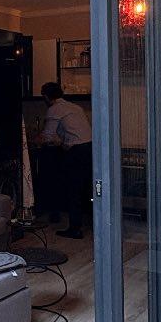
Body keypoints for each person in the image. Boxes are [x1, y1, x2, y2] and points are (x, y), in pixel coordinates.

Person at [38, 81, 92, 238]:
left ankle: (75, 229)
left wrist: (36, 139)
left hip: (77, 152)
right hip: (90, 148)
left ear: (46, 97)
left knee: (73, 190)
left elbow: (48, 136)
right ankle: (95, 225)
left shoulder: (54, 109)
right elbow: (72, 131)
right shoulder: (75, 107)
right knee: (86, 189)